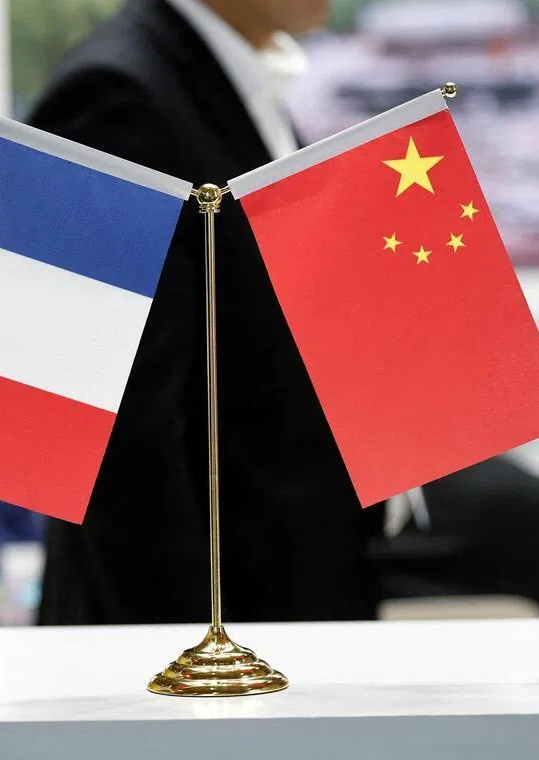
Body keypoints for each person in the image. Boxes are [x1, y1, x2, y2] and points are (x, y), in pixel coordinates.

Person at [29, 0, 385, 625]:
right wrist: (194, 689)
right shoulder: (114, 95)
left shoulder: (229, 77)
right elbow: (119, 450)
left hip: (284, 604)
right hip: (198, 651)